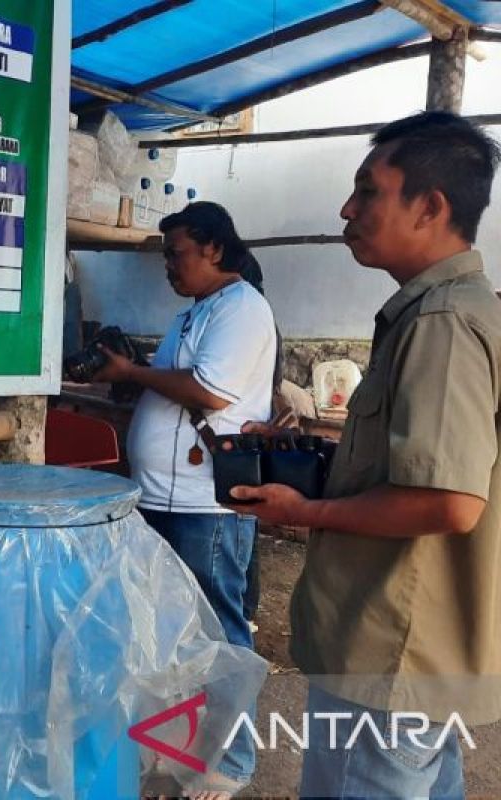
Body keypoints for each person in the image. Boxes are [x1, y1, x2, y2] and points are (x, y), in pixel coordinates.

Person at [231, 111, 501, 798]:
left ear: (431, 206)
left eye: (368, 191)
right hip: (418, 654)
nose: (347, 209)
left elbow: (449, 499)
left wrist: (306, 509)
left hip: (390, 654)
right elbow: (416, 460)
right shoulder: (446, 313)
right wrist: (314, 449)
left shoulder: (441, 324)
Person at [91, 200, 278, 798]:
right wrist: (131, 378)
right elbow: (174, 390)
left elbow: (209, 393)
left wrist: (132, 373)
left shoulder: (244, 309)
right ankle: (179, 741)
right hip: (160, 498)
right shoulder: (193, 314)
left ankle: (235, 760)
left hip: (205, 506)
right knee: (166, 629)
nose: (169, 266)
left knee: (221, 633)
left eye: (177, 254)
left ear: (214, 249)